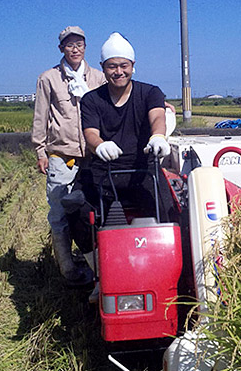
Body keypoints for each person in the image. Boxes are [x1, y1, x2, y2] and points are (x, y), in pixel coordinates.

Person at [70, 32, 176, 302]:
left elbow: (157, 116)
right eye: (112, 66)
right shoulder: (93, 100)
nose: (118, 72)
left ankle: (172, 274)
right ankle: (101, 274)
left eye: (123, 65)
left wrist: (158, 137)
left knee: (172, 213)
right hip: (104, 172)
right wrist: (100, 146)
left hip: (143, 171)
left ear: (133, 66)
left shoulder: (149, 92)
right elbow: (90, 133)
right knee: (78, 213)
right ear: (103, 68)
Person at [31, 25, 106, 286]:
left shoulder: (98, 77)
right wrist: (41, 150)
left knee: (97, 212)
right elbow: (40, 117)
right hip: (62, 156)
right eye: (69, 44)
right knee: (60, 213)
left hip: (93, 156)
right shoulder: (48, 78)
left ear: (86, 47)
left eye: (80, 44)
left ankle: (100, 267)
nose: (75, 49)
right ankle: (69, 270)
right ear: (61, 48)